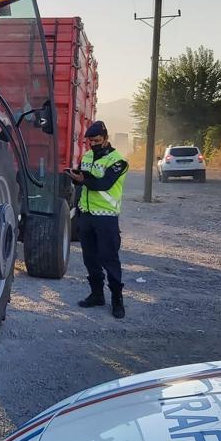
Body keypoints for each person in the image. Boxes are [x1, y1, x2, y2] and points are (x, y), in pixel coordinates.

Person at [67, 121, 129, 319]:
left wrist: (82, 180)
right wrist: (73, 176)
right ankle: (97, 294)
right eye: (90, 141)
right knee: (90, 258)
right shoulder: (86, 156)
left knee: (109, 258)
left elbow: (103, 184)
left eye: (96, 140)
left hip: (106, 217)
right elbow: (82, 177)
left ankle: (117, 300)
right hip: (86, 215)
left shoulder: (118, 161)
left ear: (106, 138)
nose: (93, 144)